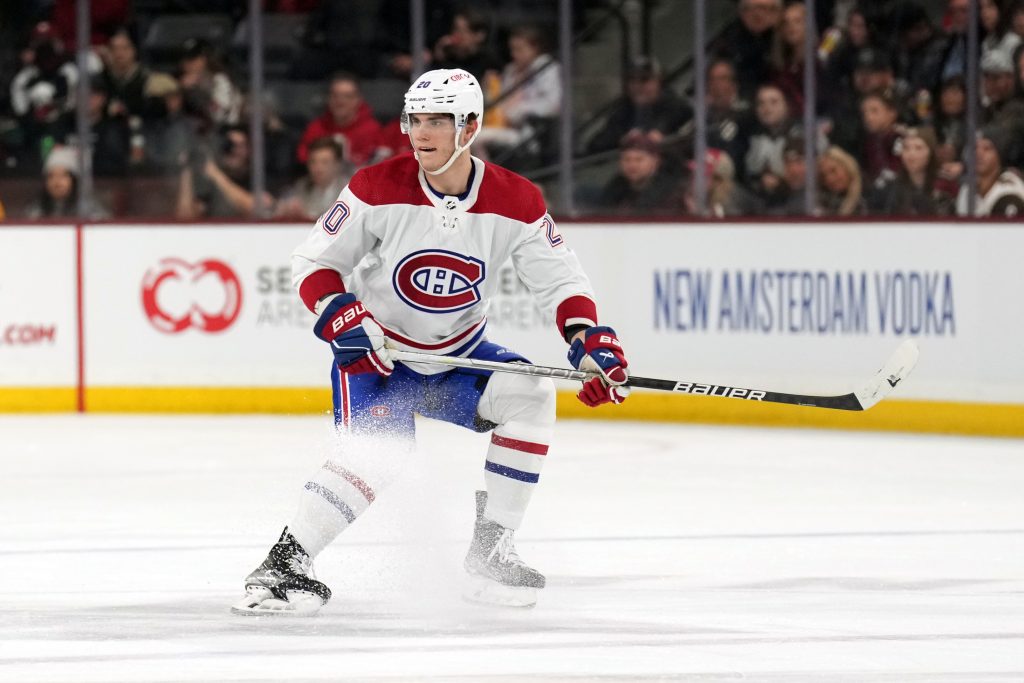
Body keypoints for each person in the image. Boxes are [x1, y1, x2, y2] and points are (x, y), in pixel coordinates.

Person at [232, 68, 631, 616]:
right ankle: (284, 563)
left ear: (470, 127)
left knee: (531, 394)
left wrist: (588, 341)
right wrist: (341, 318)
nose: (421, 133)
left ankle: (490, 553)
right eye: (415, 119)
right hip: (379, 355)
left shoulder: (516, 199)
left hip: (456, 357)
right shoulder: (376, 186)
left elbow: (561, 282)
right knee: (380, 457)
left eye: (438, 120)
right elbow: (313, 263)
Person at [296, 72, 387, 168]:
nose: (340, 102)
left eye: (348, 96)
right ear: (328, 98)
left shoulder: (373, 130)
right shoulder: (316, 128)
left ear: (358, 99)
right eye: (335, 96)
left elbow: (382, 162)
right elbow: (303, 158)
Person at [868, 126, 956, 215]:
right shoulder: (889, 187)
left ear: (931, 153)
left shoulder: (945, 185)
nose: (911, 154)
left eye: (918, 148)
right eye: (906, 148)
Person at [594, 130, 683, 215]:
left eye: (639, 160)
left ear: (656, 161)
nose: (632, 165)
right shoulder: (615, 188)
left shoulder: (670, 194)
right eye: (626, 159)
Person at [275, 137, 352, 220]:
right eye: (313, 162)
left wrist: (305, 214)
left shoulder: (349, 190)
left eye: (324, 162)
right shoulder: (301, 186)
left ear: (337, 165)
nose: (318, 168)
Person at [25, 145, 110, 219]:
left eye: (63, 175)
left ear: (74, 180)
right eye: (51, 176)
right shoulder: (36, 212)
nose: (57, 181)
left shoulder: (90, 211)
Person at [956, 125, 1024, 216]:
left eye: (987, 149)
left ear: (999, 155)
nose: (978, 154)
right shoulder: (966, 188)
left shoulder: (1010, 186)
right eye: (974, 148)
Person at [817, 145, 865, 215]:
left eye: (833, 171)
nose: (829, 179)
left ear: (847, 167)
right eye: (823, 176)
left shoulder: (869, 197)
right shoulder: (823, 202)